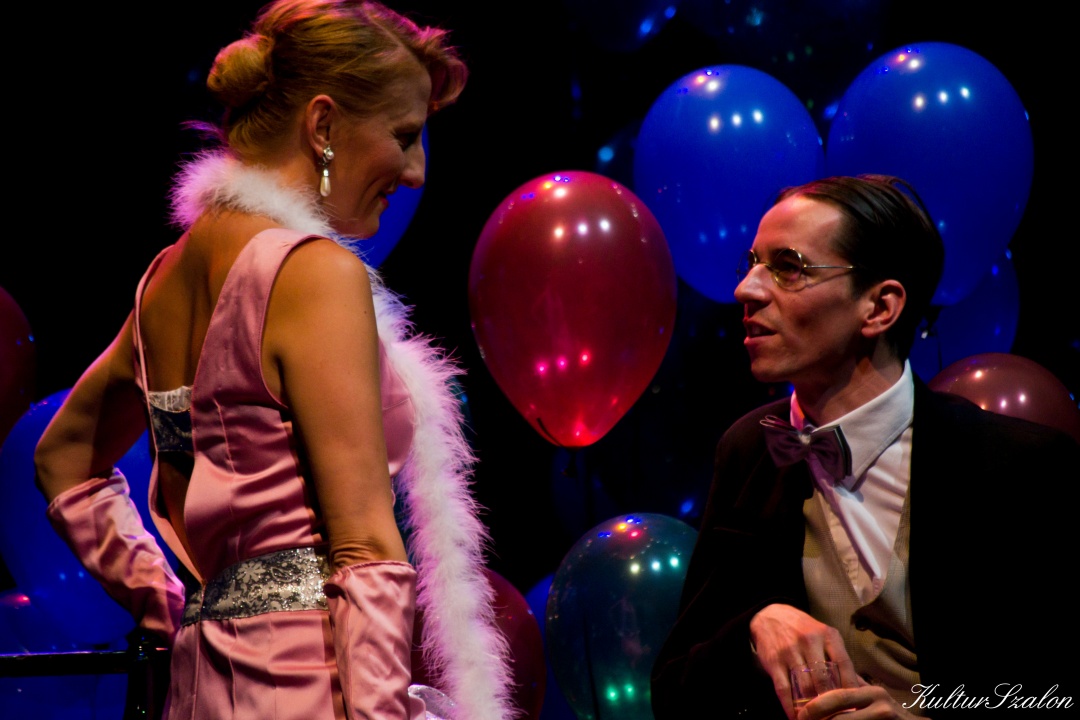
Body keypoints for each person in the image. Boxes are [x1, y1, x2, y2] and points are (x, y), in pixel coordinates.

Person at [32, 2, 515, 718]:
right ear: (322, 126)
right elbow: (366, 548)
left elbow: (63, 458)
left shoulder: (164, 279)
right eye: (404, 136)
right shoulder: (314, 272)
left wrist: (177, 607)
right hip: (311, 690)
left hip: (202, 689)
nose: (416, 172)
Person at [650, 174, 1080, 719]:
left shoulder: (1020, 466)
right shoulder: (750, 449)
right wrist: (754, 629)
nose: (747, 290)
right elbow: (674, 691)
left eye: (788, 267)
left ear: (879, 308)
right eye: (753, 263)